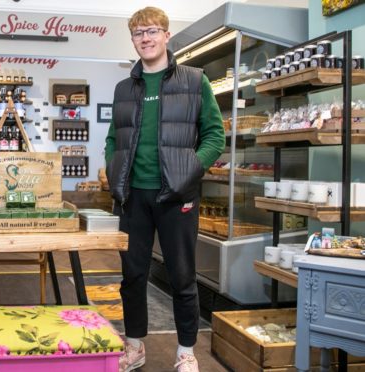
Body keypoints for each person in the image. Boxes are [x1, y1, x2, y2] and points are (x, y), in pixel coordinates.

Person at [104, 7, 225, 372]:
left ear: (166, 36)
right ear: (133, 39)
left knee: (182, 276)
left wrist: (189, 170)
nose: (146, 38)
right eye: (138, 32)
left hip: (177, 195)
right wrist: (114, 173)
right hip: (133, 197)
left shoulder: (194, 80)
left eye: (153, 31)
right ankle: (136, 346)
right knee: (132, 276)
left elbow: (215, 136)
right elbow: (113, 140)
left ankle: (186, 351)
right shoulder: (124, 87)